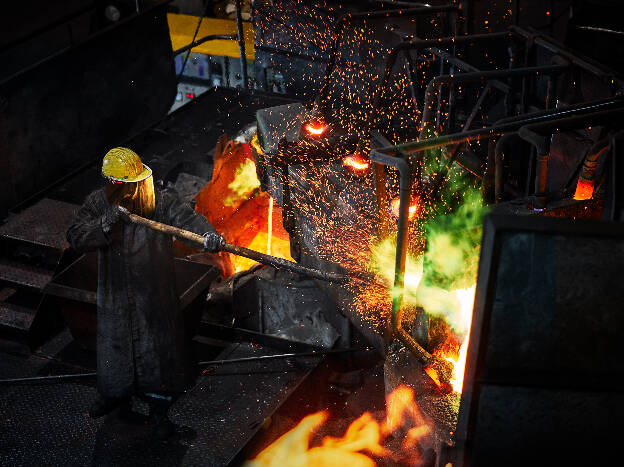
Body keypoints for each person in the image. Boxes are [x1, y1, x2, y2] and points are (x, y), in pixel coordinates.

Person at [66, 147, 223, 439]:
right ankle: (114, 398)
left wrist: (207, 236)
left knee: (158, 359)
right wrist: (104, 224)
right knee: (116, 354)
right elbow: (75, 236)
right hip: (115, 297)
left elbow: (187, 221)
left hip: (153, 296)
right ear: (111, 184)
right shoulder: (98, 204)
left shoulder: (160, 203)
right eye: (119, 185)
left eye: (130, 185)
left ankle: (159, 415)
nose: (126, 191)